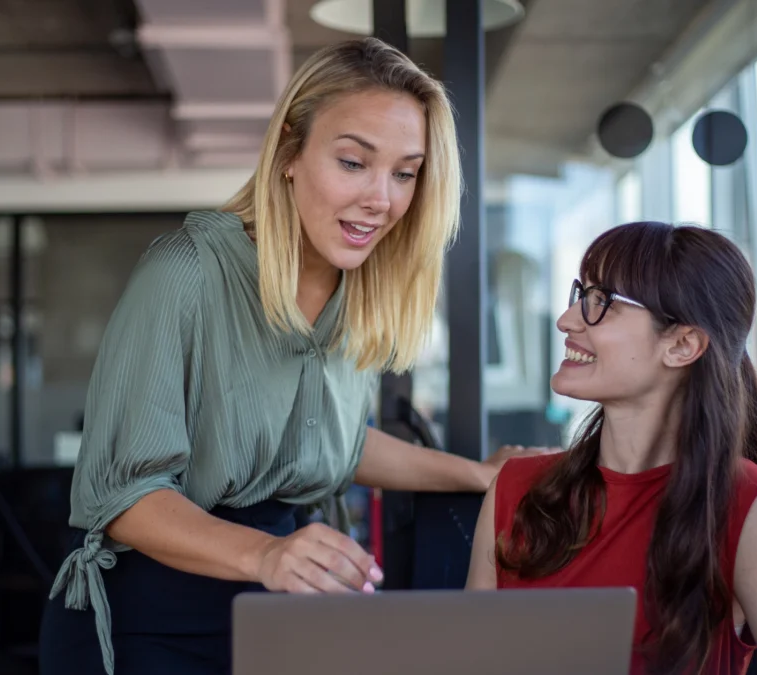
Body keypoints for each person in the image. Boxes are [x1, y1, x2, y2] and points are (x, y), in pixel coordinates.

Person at [39, 38, 539, 675]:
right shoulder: (186, 274)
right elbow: (125, 495)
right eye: (354, 162)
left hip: (273, 613)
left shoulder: (355, 287)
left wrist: (474, 474)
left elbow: (338, 444)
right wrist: (266, 555)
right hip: (147, 620)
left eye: (405, 172)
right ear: (288, 156)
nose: (381, 198)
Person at [465, 222, 757, 675]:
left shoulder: (744, 508)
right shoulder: (516, 489)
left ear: (683, 345)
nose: (567, 320)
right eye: (580, 295)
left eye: (601, 303)